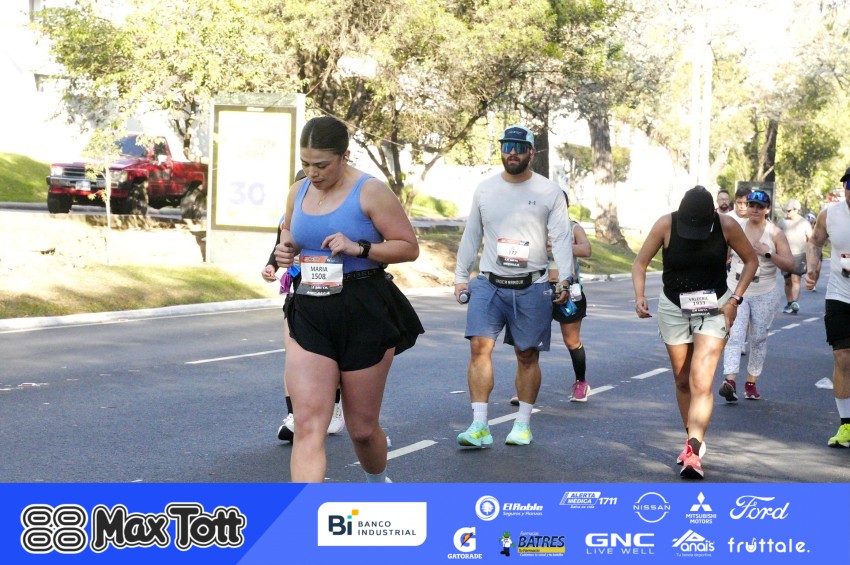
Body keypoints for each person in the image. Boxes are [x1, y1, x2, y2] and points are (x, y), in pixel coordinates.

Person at [273, 115, 423, 483]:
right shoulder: (298, 191)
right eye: (306, 163)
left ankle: (377, 485)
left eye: (322, 165)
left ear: (345, 156)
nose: (313, 172)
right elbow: (289, 230)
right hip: (310, 305)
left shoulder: (370, 191)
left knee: (362, 428)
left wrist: (360, 247)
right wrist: (285, 249)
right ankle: (304, 511)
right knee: (308, 423)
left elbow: (408, 247)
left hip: (364, 307)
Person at [454, 125, 574, 447]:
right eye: (507, 146)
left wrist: (565, 278)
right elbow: (472, 234)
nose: (512, 153)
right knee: (479, 347)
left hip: (532, 285)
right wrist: (460, 276)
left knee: (526, 354)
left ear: (531, 152)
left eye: (519, 147)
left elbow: (562, 237)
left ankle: (522, 424)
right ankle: (479, 425)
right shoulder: (485, 189)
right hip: (489, 283)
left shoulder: (549, 191)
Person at [632, 186, 757, 479]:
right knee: (682, 378)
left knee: (701, 378)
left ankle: (692, 450)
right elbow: (640, 263)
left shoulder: (726, 225)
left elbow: (751, 261)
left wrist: (735, 299)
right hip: (674, 305)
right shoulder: (666, 224)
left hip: (715, 306)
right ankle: (693, 436)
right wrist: (639, 295)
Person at [261, 186, 345, 442]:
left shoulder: (336, 215)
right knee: (293, 355)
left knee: (331, 357)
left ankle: (335, 407)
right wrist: (271, 266)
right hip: (298, 292)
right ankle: (293, 415)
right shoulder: (288, 218)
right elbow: (280, 247)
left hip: (332, 293)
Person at [508, 194, 592, 404]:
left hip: (568, 291)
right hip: (537, 289)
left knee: (571, 341)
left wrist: (559, 245)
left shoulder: (572, 228)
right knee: (528, 342)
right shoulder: (533, 229)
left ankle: (581, 382)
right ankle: (524, 388)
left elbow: (586, 249)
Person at [718, 190, 793, 402]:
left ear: (767, 209)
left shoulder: (775, 233)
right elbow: (723, 254)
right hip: (736, 289)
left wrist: (768, 253)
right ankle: (730, 381)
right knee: (734, 334)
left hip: (764, 291)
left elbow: (790, 264)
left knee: (758, 338)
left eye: (760, 207)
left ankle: (751, 382)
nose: (755, 210)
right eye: (751, 205)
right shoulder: (736, 227)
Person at [805, 167, 850, 448]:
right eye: (848, 185)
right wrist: (812, 269)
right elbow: (815, 242)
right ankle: (846, 424)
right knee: (842, 357)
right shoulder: (829, 214)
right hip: (839, 294)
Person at [777, 198, 812, 314]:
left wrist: (811, 255)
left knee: (795, 278)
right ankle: (789, 302)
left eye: (789, 210)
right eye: (786, 210)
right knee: (787, 280)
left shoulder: (804, 223)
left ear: (796, 210)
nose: (787, 213)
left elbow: (811, 239)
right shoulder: (782, 222)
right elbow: (775, 235)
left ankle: (794, 303)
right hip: (785, 255)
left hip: (799, 255)